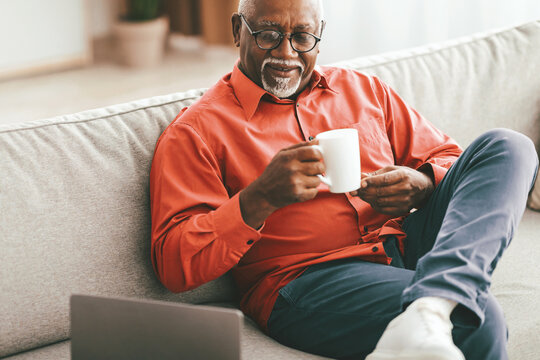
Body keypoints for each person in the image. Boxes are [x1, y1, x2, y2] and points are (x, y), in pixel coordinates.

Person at [149, 0, 538, 359]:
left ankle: (431, 305)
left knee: (508, 146)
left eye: (302, 36)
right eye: (268, 34)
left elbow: (450, 159)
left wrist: (422, 184)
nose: (286, 53)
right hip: (307, 280)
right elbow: (174, 264)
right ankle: (439, 304)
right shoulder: (196, 130)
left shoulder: (361, 89)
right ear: (237, 30)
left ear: (320, 33)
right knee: (476, 318)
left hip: (407, 244)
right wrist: (259, 199)